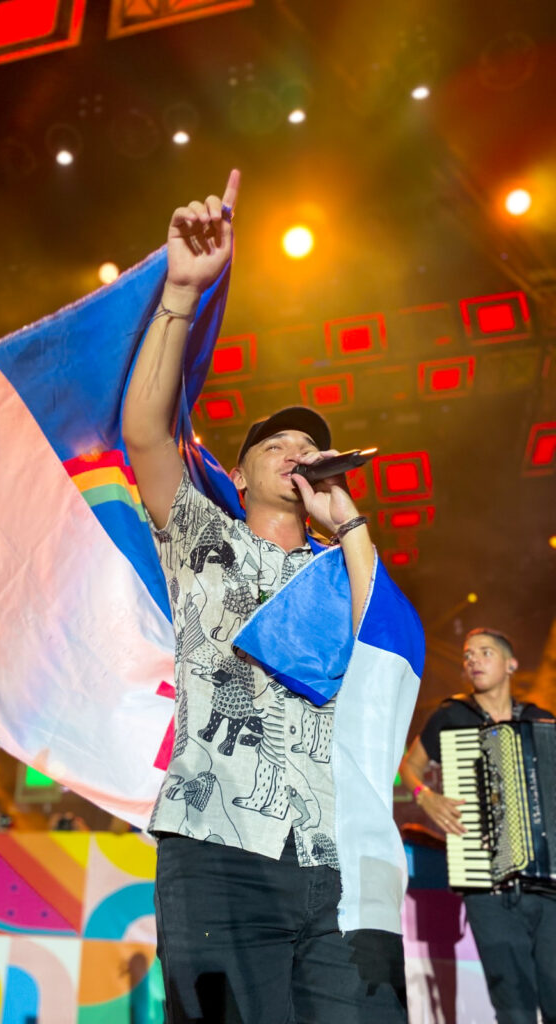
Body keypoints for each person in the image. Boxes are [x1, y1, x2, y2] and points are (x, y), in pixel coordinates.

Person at [122, 170, 409, 1022]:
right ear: (240, 474)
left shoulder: (337, 569)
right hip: (219, 846)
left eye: (307, 445)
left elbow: (383, 644)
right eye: (274, 444)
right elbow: (145, 434)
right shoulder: (203, 538)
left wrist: (347, 519)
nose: (294, 451)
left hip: (326, 856)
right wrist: (181, 293)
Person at [400, 627, 556, 1024]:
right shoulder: (452, 716)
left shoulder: (541, 721)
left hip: (548, 887)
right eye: (468, 655)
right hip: (485, 886)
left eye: (485, 653)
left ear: (511, 664)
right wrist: (425, 796)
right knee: (514, 1008)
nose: (473, 660)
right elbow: (409, 767)